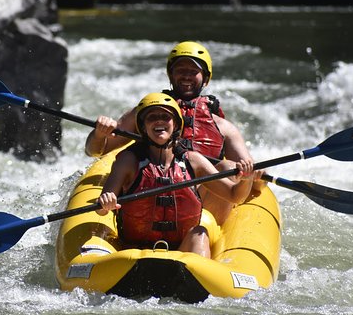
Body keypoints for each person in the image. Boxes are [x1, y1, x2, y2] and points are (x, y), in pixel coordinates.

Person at [85, 41, 260, 224]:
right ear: (170, 74)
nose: (186, 76)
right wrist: (99, 134)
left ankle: (204, 232)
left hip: (201, 203)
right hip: (149, 191)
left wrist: (254, 173)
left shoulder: (224, 127)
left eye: (193, 71)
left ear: (206, 78)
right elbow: (95, 151)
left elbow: (254, 179)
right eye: (180, 70)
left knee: (227, 167)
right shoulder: (147, 114)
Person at [95, 93, 262, 258]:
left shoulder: (193, 161)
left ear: (175, 125)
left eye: (165, 117)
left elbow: (234, 195)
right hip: (133, 252)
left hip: (181, 250)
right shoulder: (129, 160)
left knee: (199, 233)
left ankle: (199, 276)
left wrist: (246, 180)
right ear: (143, 126)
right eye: (151, 117)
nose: (159, 120)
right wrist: (106, 202)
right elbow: (102, 208)